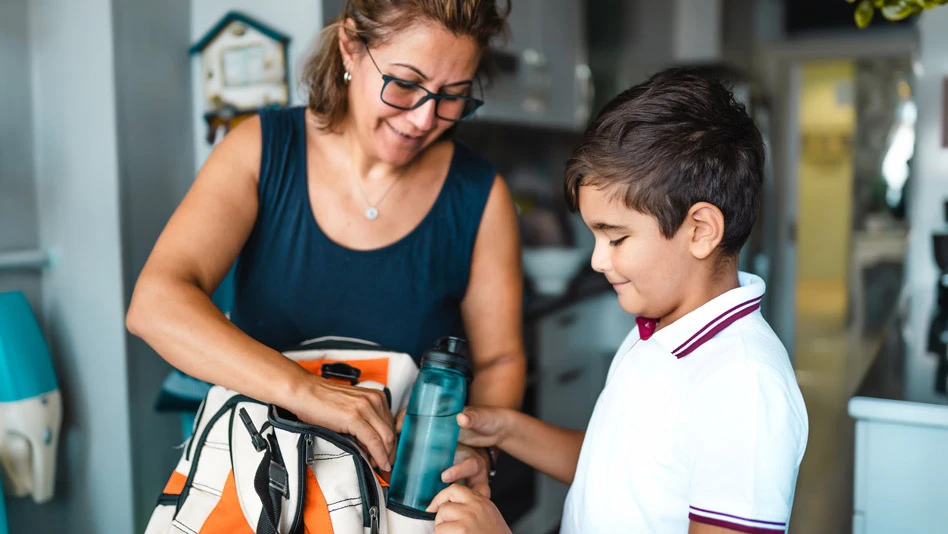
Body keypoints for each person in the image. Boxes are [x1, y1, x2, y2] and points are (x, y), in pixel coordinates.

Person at [127, 0, 526, 494]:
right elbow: (155, 304)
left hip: (399, 496)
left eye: (453, 96)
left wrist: (472, 448)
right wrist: (309, 391)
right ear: (350, 48)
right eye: (404, 84)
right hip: (260, 486)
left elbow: (499, 362)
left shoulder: (481, 196)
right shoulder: (259, 149)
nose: (425, 119)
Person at [429, 68, 809, 533]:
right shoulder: (659, 330)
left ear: (701, 230)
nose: (596, 260)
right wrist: (504, 428)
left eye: (616, 237)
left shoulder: (743, 385)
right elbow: (617, 469)